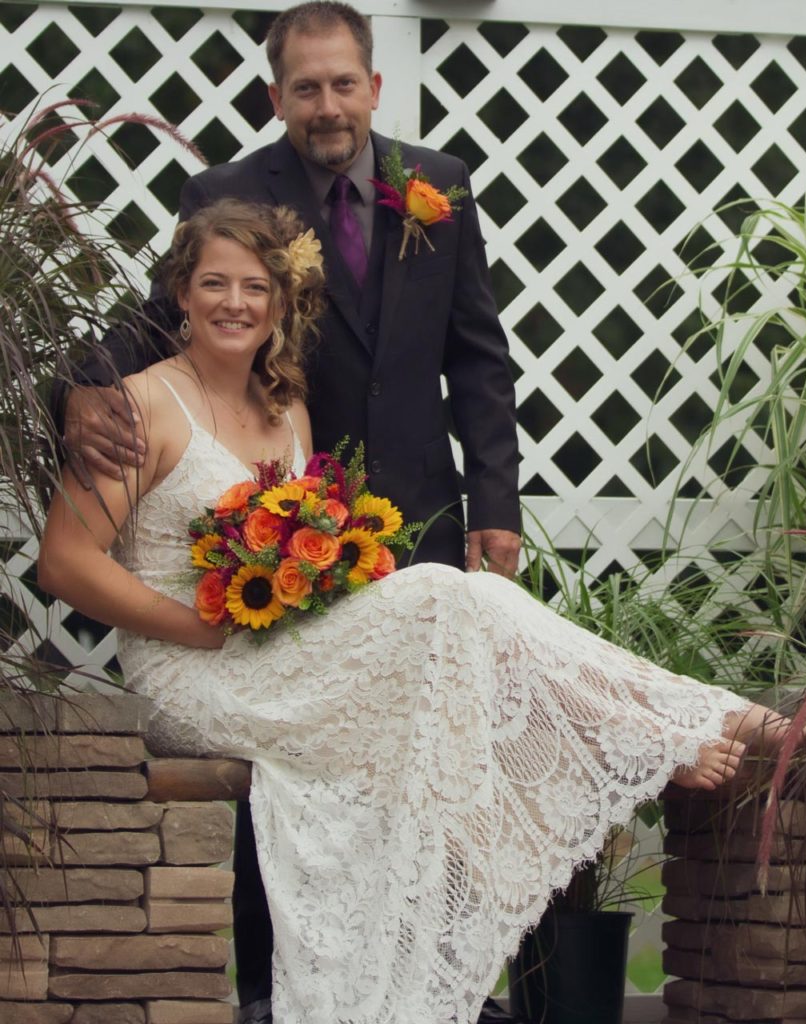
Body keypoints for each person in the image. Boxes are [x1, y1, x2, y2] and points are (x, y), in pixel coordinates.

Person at [40, 198, 806, 1024]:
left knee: (472, 602)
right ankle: (673, 730)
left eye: (254, 286)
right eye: (213, 284)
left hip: (279, 652)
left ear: (281, 300)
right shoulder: (137, 405)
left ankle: (672, 730)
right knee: (446, 591)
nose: (234, 303)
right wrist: (197, 625)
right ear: (182, 293)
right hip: (192, 670)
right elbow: (65, 560)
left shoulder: (289, 411)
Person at [58, 10, 519, 1014]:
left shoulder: (438, 184)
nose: (327, 106)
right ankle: (275, 984)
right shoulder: (225, 193)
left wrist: (498, 506)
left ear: (373, 88)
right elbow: (156, 319)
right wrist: (81, 390)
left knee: (433, 754)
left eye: (343, 85)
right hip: (291, 516)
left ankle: (436, 974)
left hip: (424, 515)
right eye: (305, 88)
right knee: (294, 762)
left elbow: (478, 356)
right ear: (277, 97)